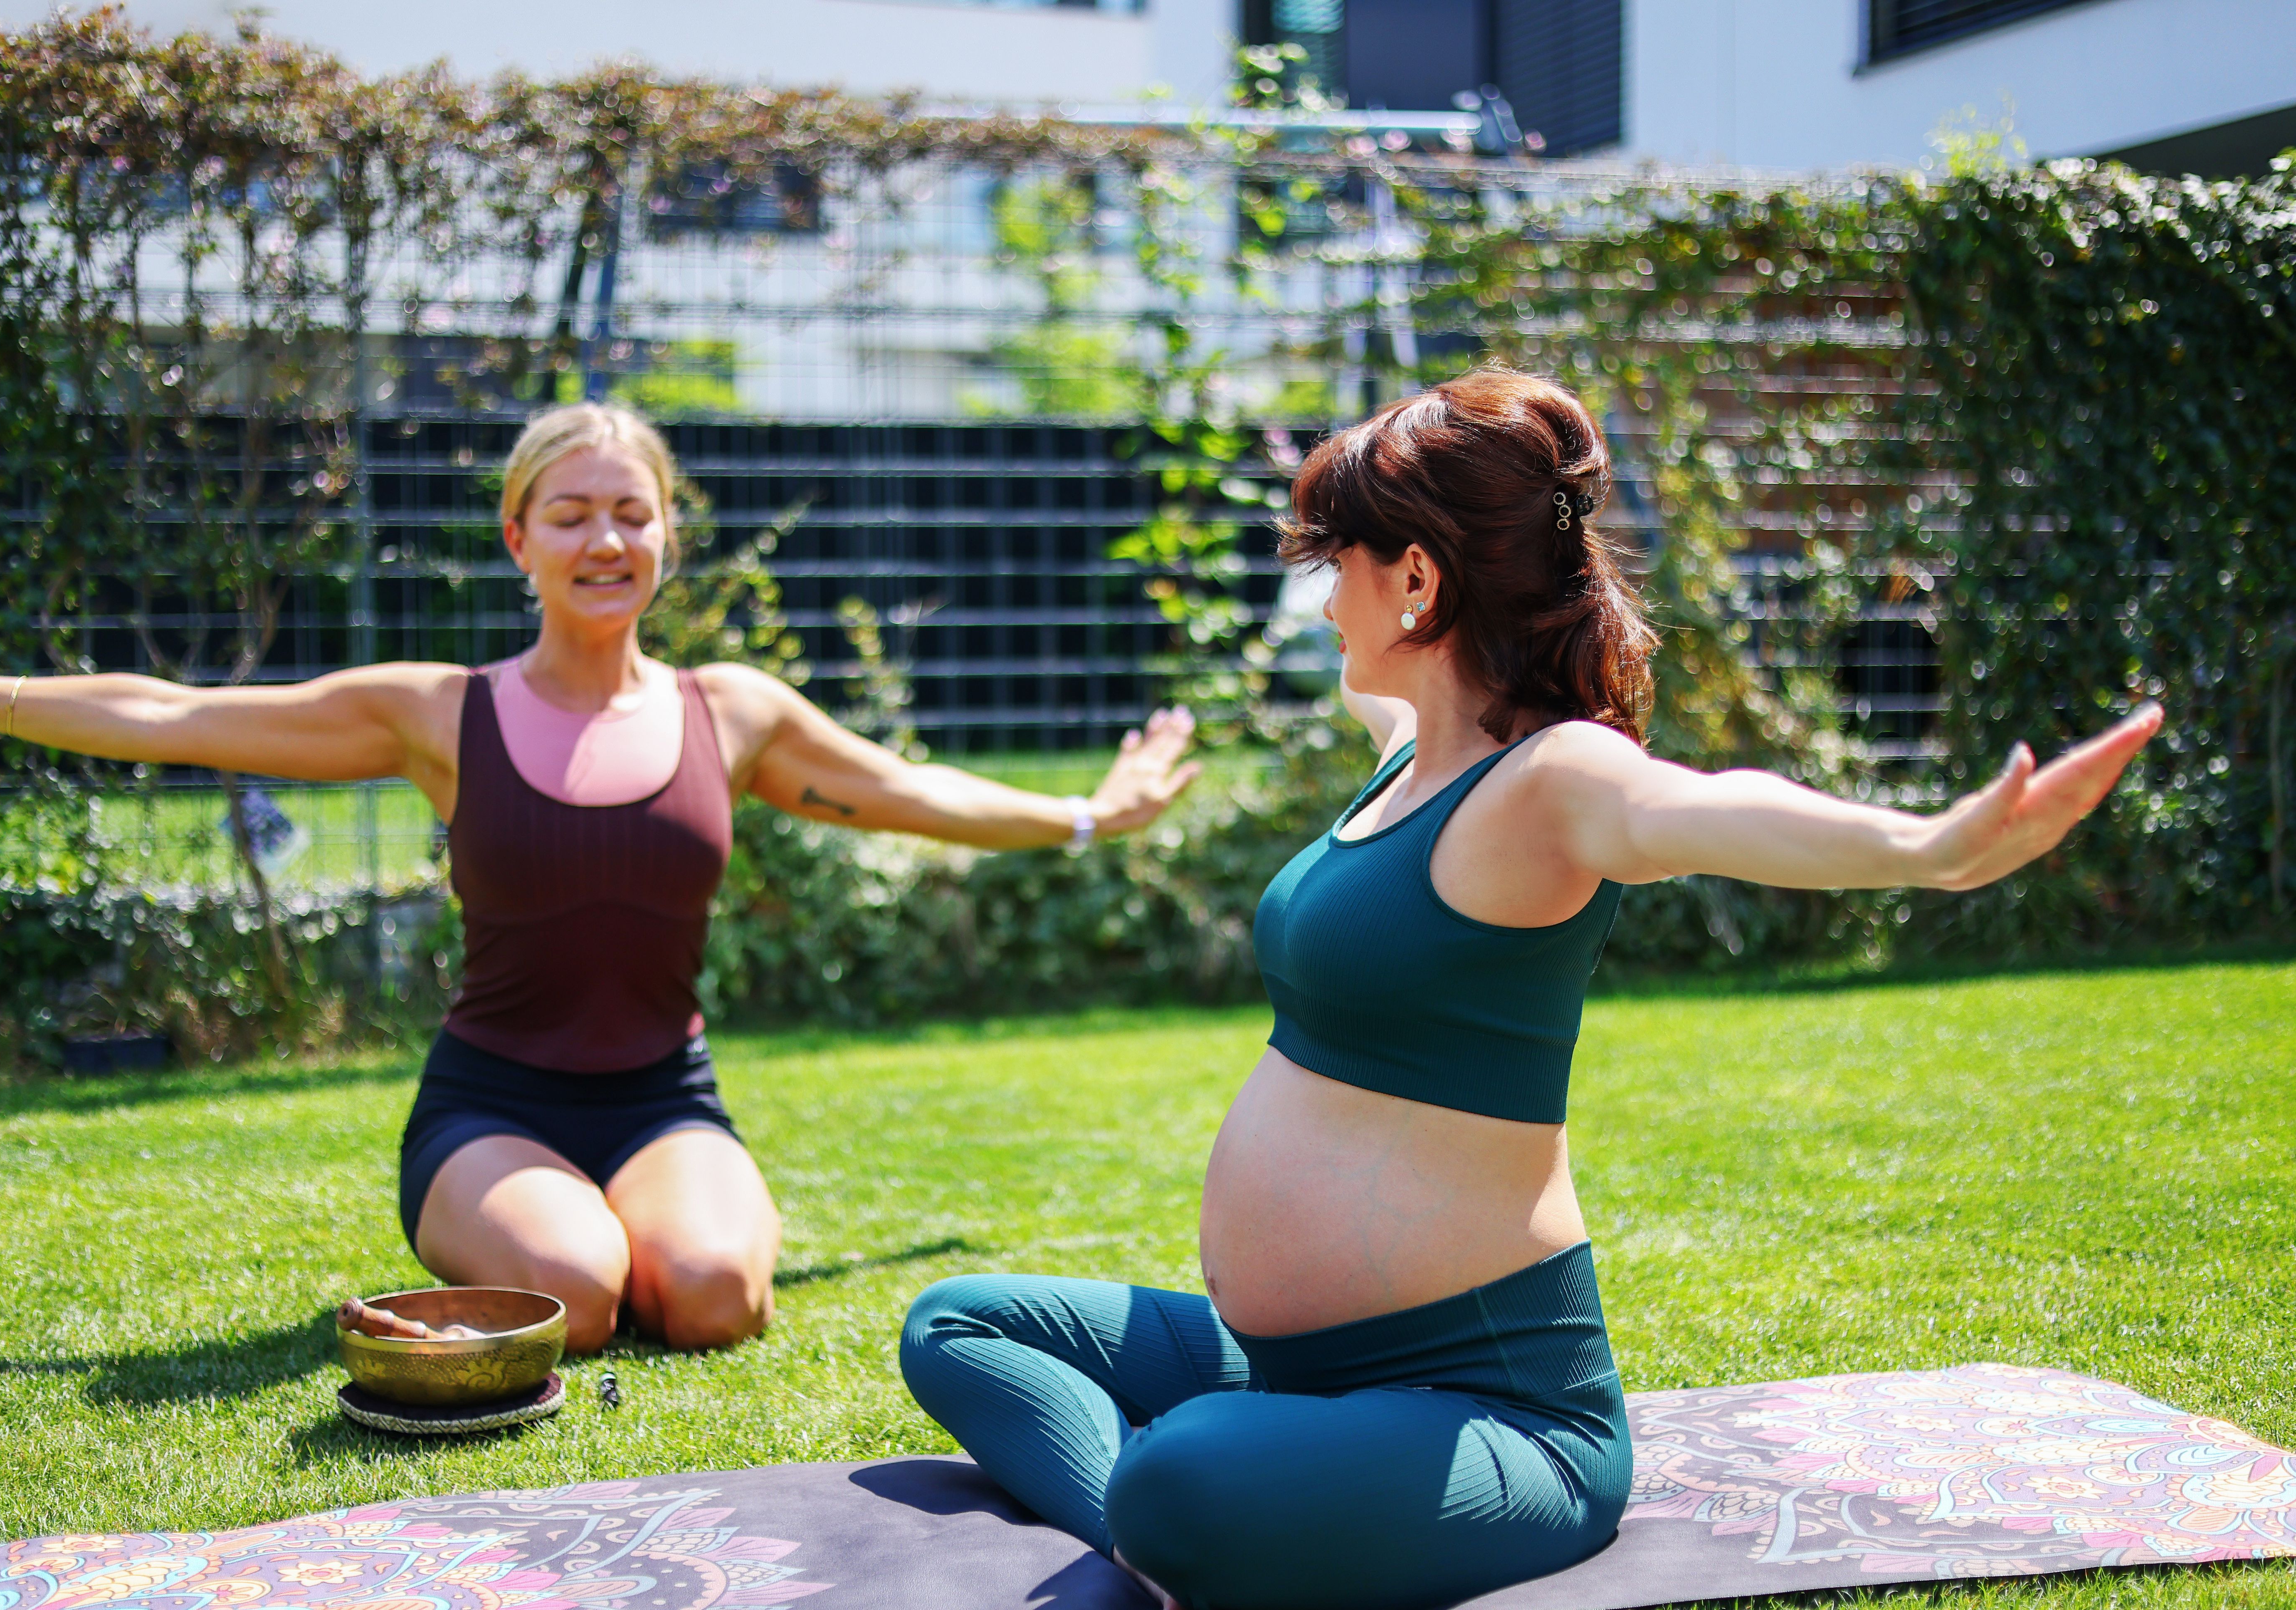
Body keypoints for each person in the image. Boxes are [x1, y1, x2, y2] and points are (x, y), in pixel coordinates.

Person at [897, 368, 2161, 1610]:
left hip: (1489, 1407)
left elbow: (1709, 809)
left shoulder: (1552, 783)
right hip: (1286, 1366)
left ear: (1416, 579)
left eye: (1334, 559)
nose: (1317, 591)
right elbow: (1421, 692)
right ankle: (1177, 1529)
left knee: (1183, 1480)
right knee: (959, 1328)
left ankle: (1176, 1515)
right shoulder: (1405, 758)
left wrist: (1926, 849)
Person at [0, 401, 1199, 1355]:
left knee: (715, 1300)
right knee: (580, 1294)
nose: (605, 539)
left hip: (665, 1103)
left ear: (668, 535)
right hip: (489, 1110)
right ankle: (510, 1252)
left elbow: (914, 794)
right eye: (570, 514)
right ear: (521, 539)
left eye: (633, 513)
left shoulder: (730, 714)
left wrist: (1091, 815)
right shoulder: (435, 713)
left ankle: (611, 1238)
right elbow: (173, 715)